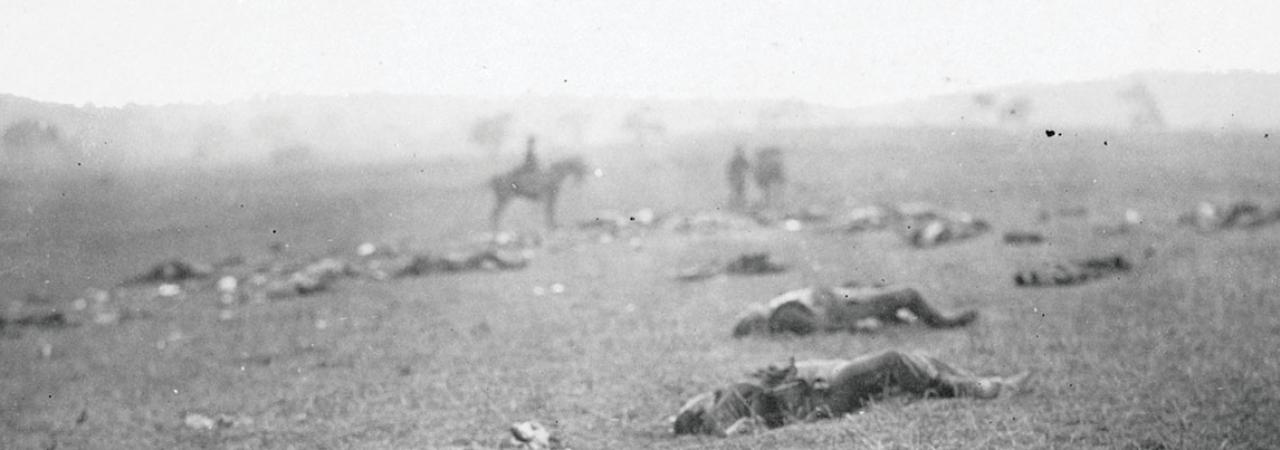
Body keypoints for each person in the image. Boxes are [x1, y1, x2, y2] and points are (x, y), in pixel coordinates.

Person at [673, 350, 1032, 436]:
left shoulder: (725, 398)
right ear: (699, 413)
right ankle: (984, 390)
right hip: (823, 396)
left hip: (824, 383)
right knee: (893, 360)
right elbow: (757, 419)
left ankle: (984, 381)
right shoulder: (725, 409)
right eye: (694, 406)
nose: (698, 398)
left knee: (917, 358)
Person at [732, 283, 978, 337]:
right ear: (755, 322)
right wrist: (854, 327)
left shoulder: (778, 309)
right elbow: (820, 326)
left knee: (887, 296)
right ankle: (943, 322)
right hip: (841, 307)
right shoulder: (783, 313)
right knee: (908, 294)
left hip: (840, 299)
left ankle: (908, 321)